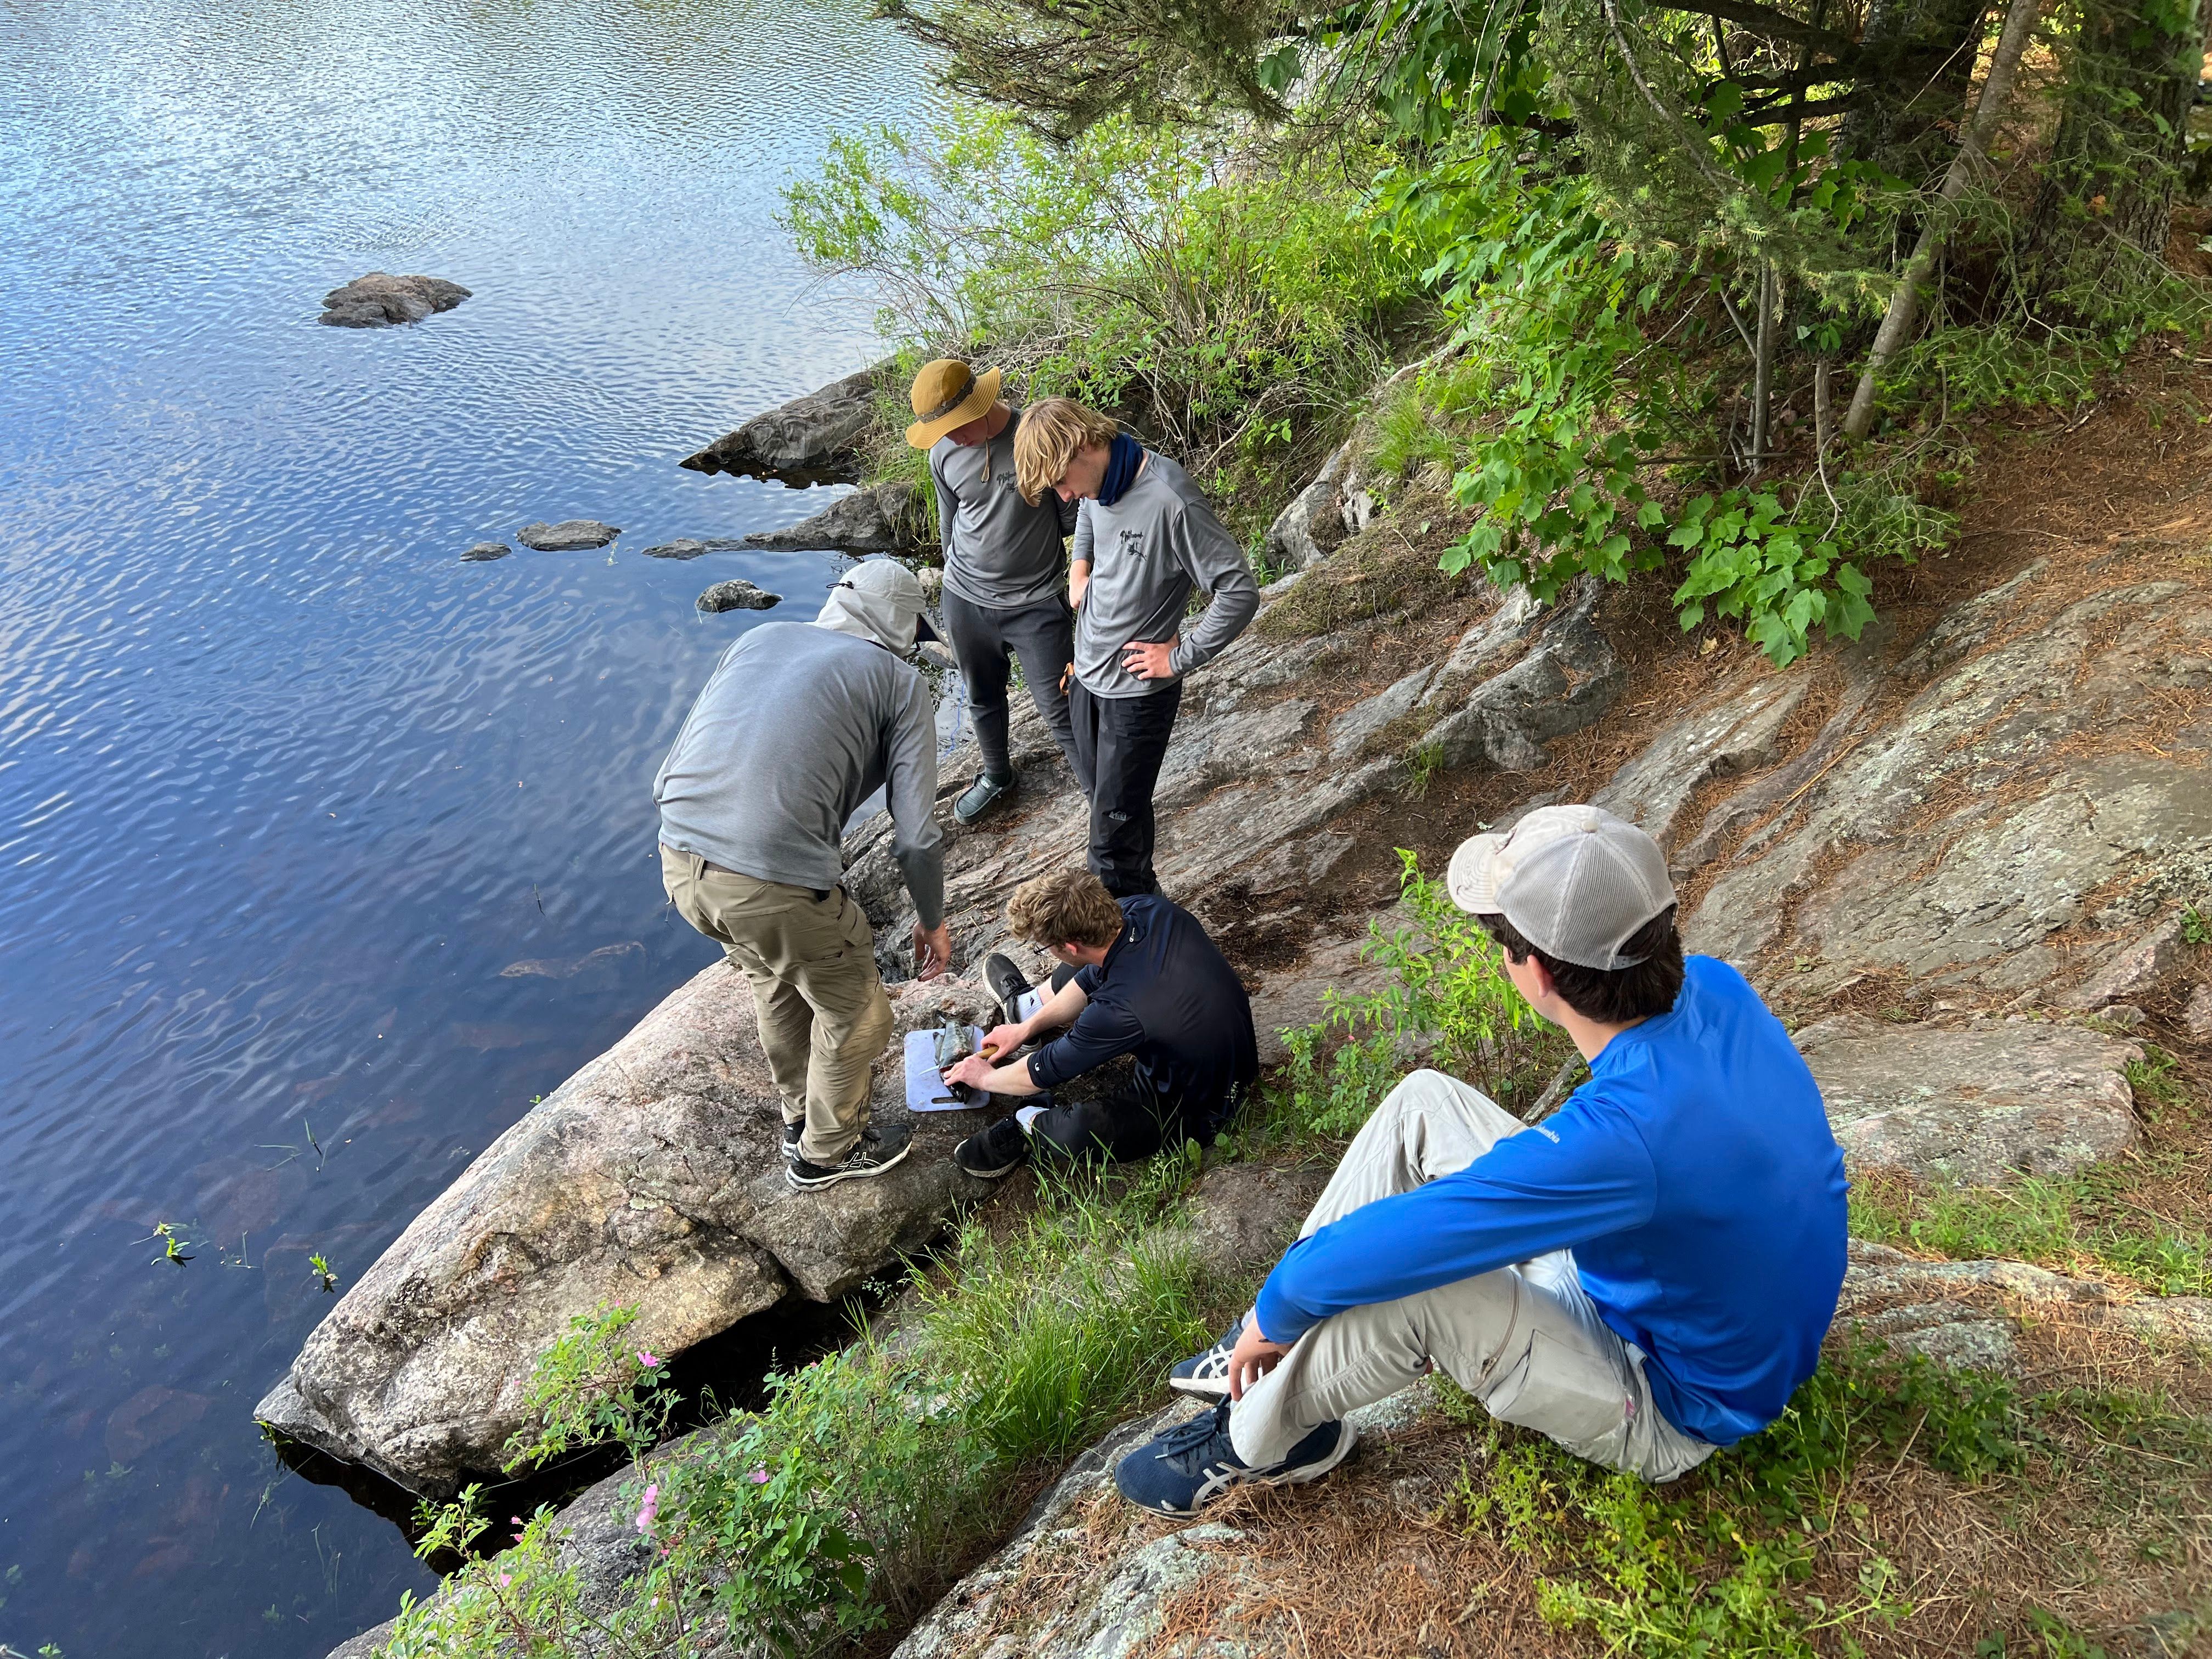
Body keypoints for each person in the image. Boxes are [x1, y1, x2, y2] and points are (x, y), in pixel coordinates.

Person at [1110, 805, 1850, 1516]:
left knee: (1419, 1289)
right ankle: (1272, 1349)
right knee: (1422, 1100)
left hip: (1669, 1403)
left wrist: (1283, 1301)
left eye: (1505, 941)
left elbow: (1429, 1236)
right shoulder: (1715, 985)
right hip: (1674, 1291)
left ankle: (1263, 1439)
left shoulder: (1628, 1136)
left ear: (1537, 975)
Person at [653, 559, 953, 1192]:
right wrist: (933, 920)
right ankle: (828, 1152)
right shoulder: (898, 682)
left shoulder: (757, 639)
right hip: (769, 880)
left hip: (679, 859)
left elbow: (678, 762)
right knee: (862, 1015)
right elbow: (918, 838)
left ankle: (800, 1117)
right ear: (902, 625)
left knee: (775, 978)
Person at [1012, 399, 1259, 898]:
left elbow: (1239, 591)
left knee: (1110, 849)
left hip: (1137, 698)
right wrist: (1079, 564)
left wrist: (1180, 655)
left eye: (1061, 481)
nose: (1064, 496)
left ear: (1086, 445)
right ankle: (1149, 916)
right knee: (1116, 815)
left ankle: (1117, 955)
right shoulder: (1097, 485)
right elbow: (1087, 510)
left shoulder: (1171, 499)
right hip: (1085, 679)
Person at [939, 867, 1257, 1176]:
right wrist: (1026, 1030)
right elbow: (1089, 979)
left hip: (1199, 1104)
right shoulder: (1146, 908)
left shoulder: (1115, 1013)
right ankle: (1026, 1010)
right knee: (1077, 971)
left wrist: (983, 1078)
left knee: (1075, 1133)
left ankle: (1029, 1122)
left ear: (1070, 945)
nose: (1048, 953)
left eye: (1045, 948)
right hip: (1233, 1054)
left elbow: (1041, 1072)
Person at [907, 359, 1083, 823]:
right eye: (939, 431)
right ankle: (997, 774)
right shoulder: (942, 454)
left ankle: (1104, 796)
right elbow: (950, 526)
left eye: (955, 427)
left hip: (1036, 604)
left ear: (980, 405)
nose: (950, 439)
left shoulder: (1032, 439)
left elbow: (1072, 518)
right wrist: (956, 585)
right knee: (982, 695)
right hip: (966, 600)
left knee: (1061, 707)